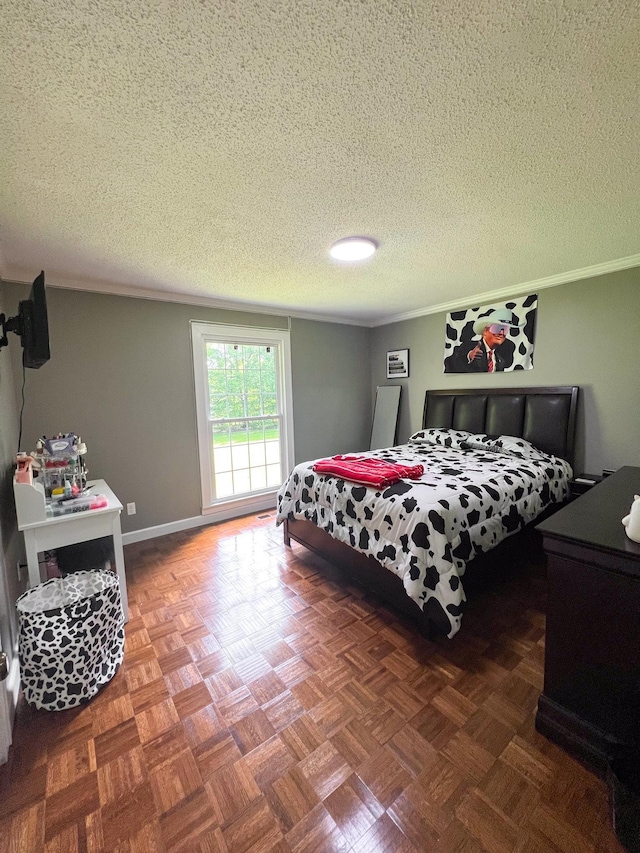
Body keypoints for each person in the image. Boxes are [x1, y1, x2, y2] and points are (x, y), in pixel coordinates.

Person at [444, 309, 523, 373]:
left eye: (505, 329)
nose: (501, 333)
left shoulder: (501, 358)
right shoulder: (468, 346)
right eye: (496, 328)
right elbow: (451, 363)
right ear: (485, 331)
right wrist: (469, 356)